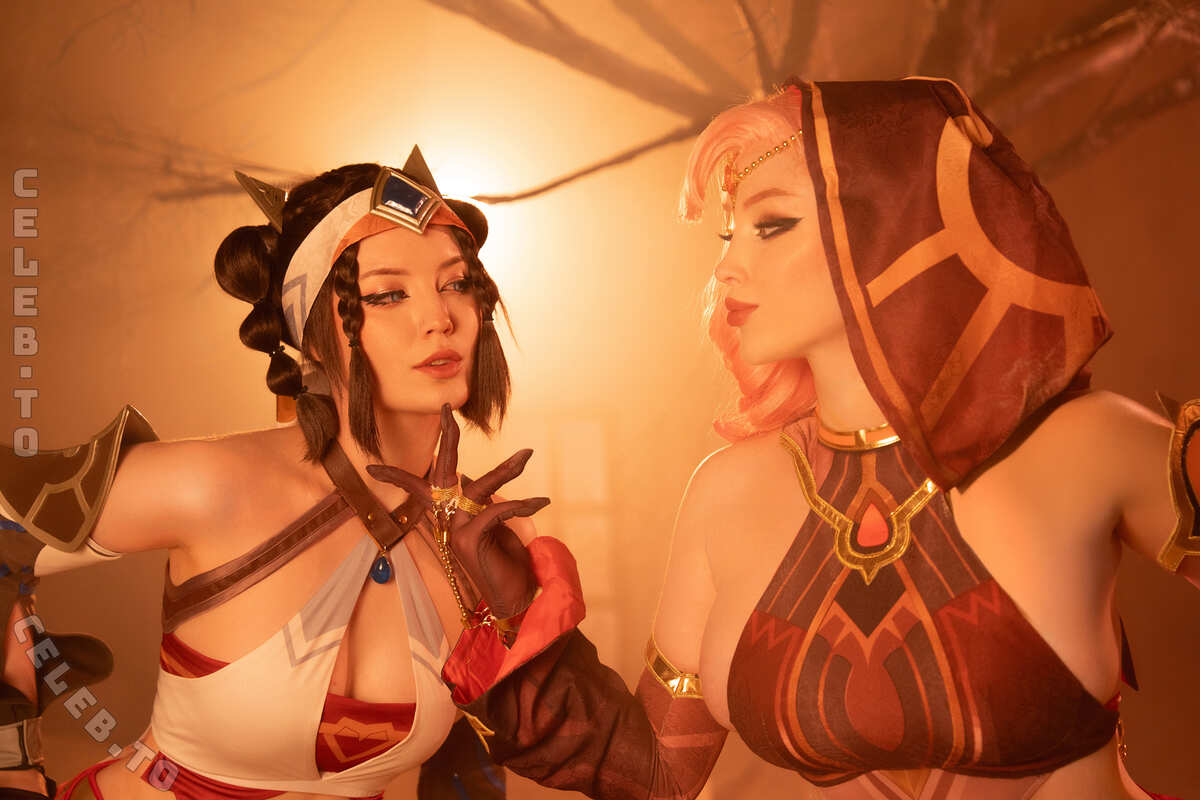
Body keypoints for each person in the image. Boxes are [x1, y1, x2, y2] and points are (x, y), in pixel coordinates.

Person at [393, 78, 1197, 800]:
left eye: (771, 225)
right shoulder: (727, 490)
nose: (727, 270)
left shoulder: (1087, 443)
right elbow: (658, 778)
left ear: (896, 225)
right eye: (727, 236)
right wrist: (511, 621)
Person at [0, 151, 549, 799]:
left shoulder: (487, 536)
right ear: (310, 333)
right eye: (387, 293)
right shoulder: (215, 485)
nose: (440, 318)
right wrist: (12, 755)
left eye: (456, 284)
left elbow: (473, 758)